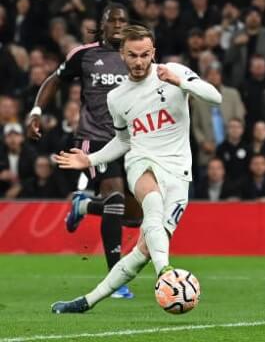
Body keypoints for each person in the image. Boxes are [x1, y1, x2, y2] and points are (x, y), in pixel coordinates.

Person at [50, 25, 222, 314]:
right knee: (150, 203)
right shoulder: (117, 98)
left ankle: (86, 302)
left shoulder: (173, 72)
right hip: (142, 162)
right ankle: (166, 273)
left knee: (142, 251)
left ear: (153, 52)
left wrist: (181, 82)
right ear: (122, 55)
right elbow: (123, 141)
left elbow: (214, 96)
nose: (139, 62)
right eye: (132, 55)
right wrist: (90, 160)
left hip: (179, 172)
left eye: (144, 55)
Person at [25, 3, 137, 299]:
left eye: (122, 21)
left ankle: (83, 206)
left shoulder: (137, 56)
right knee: (113, 198)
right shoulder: (85, 55)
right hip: (95, 140)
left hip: (133, 142)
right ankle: (116, 281)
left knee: (136, 216)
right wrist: (36, 111)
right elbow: (54, 80)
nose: (117, 25)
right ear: (102, 25)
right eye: (112, 21)